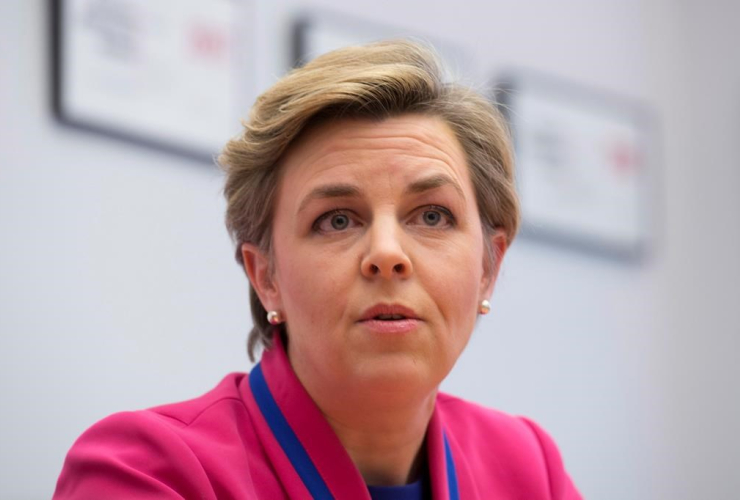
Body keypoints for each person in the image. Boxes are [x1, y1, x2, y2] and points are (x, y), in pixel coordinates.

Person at [54, 40, 582, 499]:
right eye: (335, 220)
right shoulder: (148, 471)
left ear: (489, 268)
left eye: (432, 215)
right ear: (266, 278)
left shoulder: (528, 466)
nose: (387, 253)